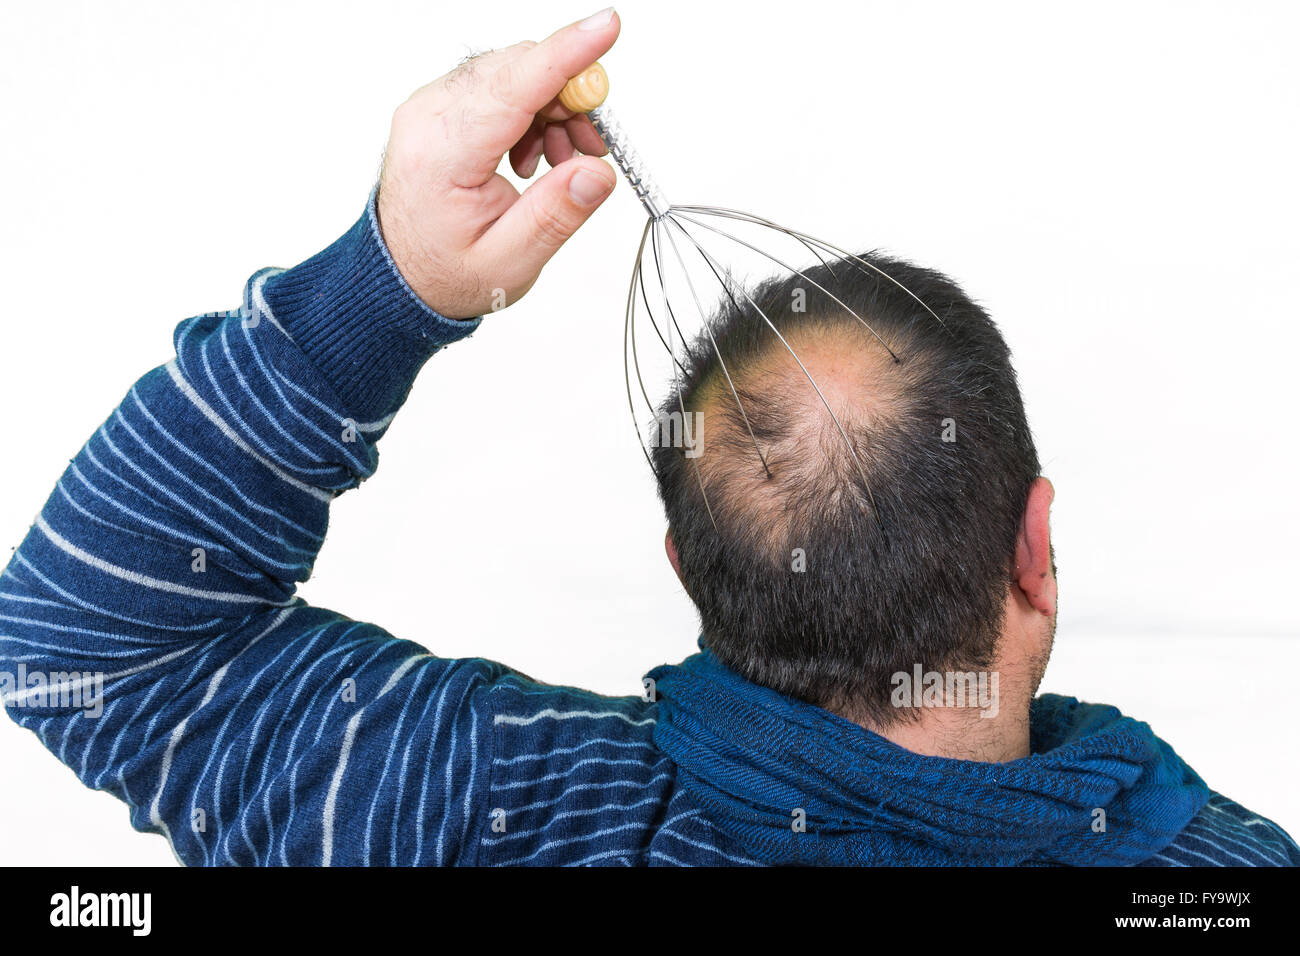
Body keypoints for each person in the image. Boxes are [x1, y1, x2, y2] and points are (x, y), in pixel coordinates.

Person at [1, 8, 1294, 867]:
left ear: (687, 569)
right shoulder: (1220, 875)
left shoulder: (490, 807)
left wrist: (383, 285)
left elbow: (87, 649)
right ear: (1037, 547)